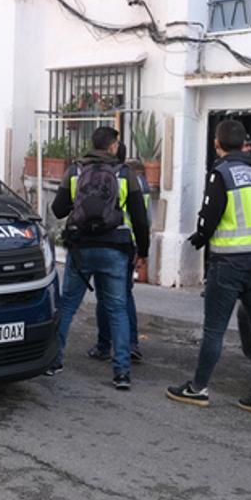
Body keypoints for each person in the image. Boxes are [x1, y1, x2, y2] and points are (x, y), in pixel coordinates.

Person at [167, 119, 251, 418]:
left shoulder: (222, 173)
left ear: (217, 145)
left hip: (229, 264)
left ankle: (198, 388)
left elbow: (209, 215)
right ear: (245, 143)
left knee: (214, 330)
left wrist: (199, 238)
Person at [49, 126, 150, 389]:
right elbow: (140, 218)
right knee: (117, 309)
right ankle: (121, 374)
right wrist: (144, 251)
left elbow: (58, 209)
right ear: (113, 146)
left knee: (68, 305)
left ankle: (53, 361)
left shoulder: (75, 170)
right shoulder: (125, 173)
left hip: (81, 248)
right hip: (115, 247)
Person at [86, 145, 148, 365]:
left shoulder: (111, 178)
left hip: (112, 240)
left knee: (105, 297)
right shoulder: (139, 181)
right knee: (124, 297)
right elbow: (142, 218)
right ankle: (131, 344)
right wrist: (143, 249)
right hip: (128, 244)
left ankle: (104, 345)